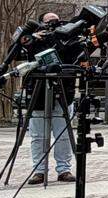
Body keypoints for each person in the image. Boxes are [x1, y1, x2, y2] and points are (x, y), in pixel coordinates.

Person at [25, 11, 75, 186]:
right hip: (38, 94)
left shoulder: (67, 39)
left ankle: (64, 170)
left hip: (63, 93)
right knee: (38, 136)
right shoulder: (33, 40)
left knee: (63, 135)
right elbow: (18, 53)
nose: (54, 25)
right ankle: (39, 171)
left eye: (56, 22)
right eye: (49, 22)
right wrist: (33, 38)